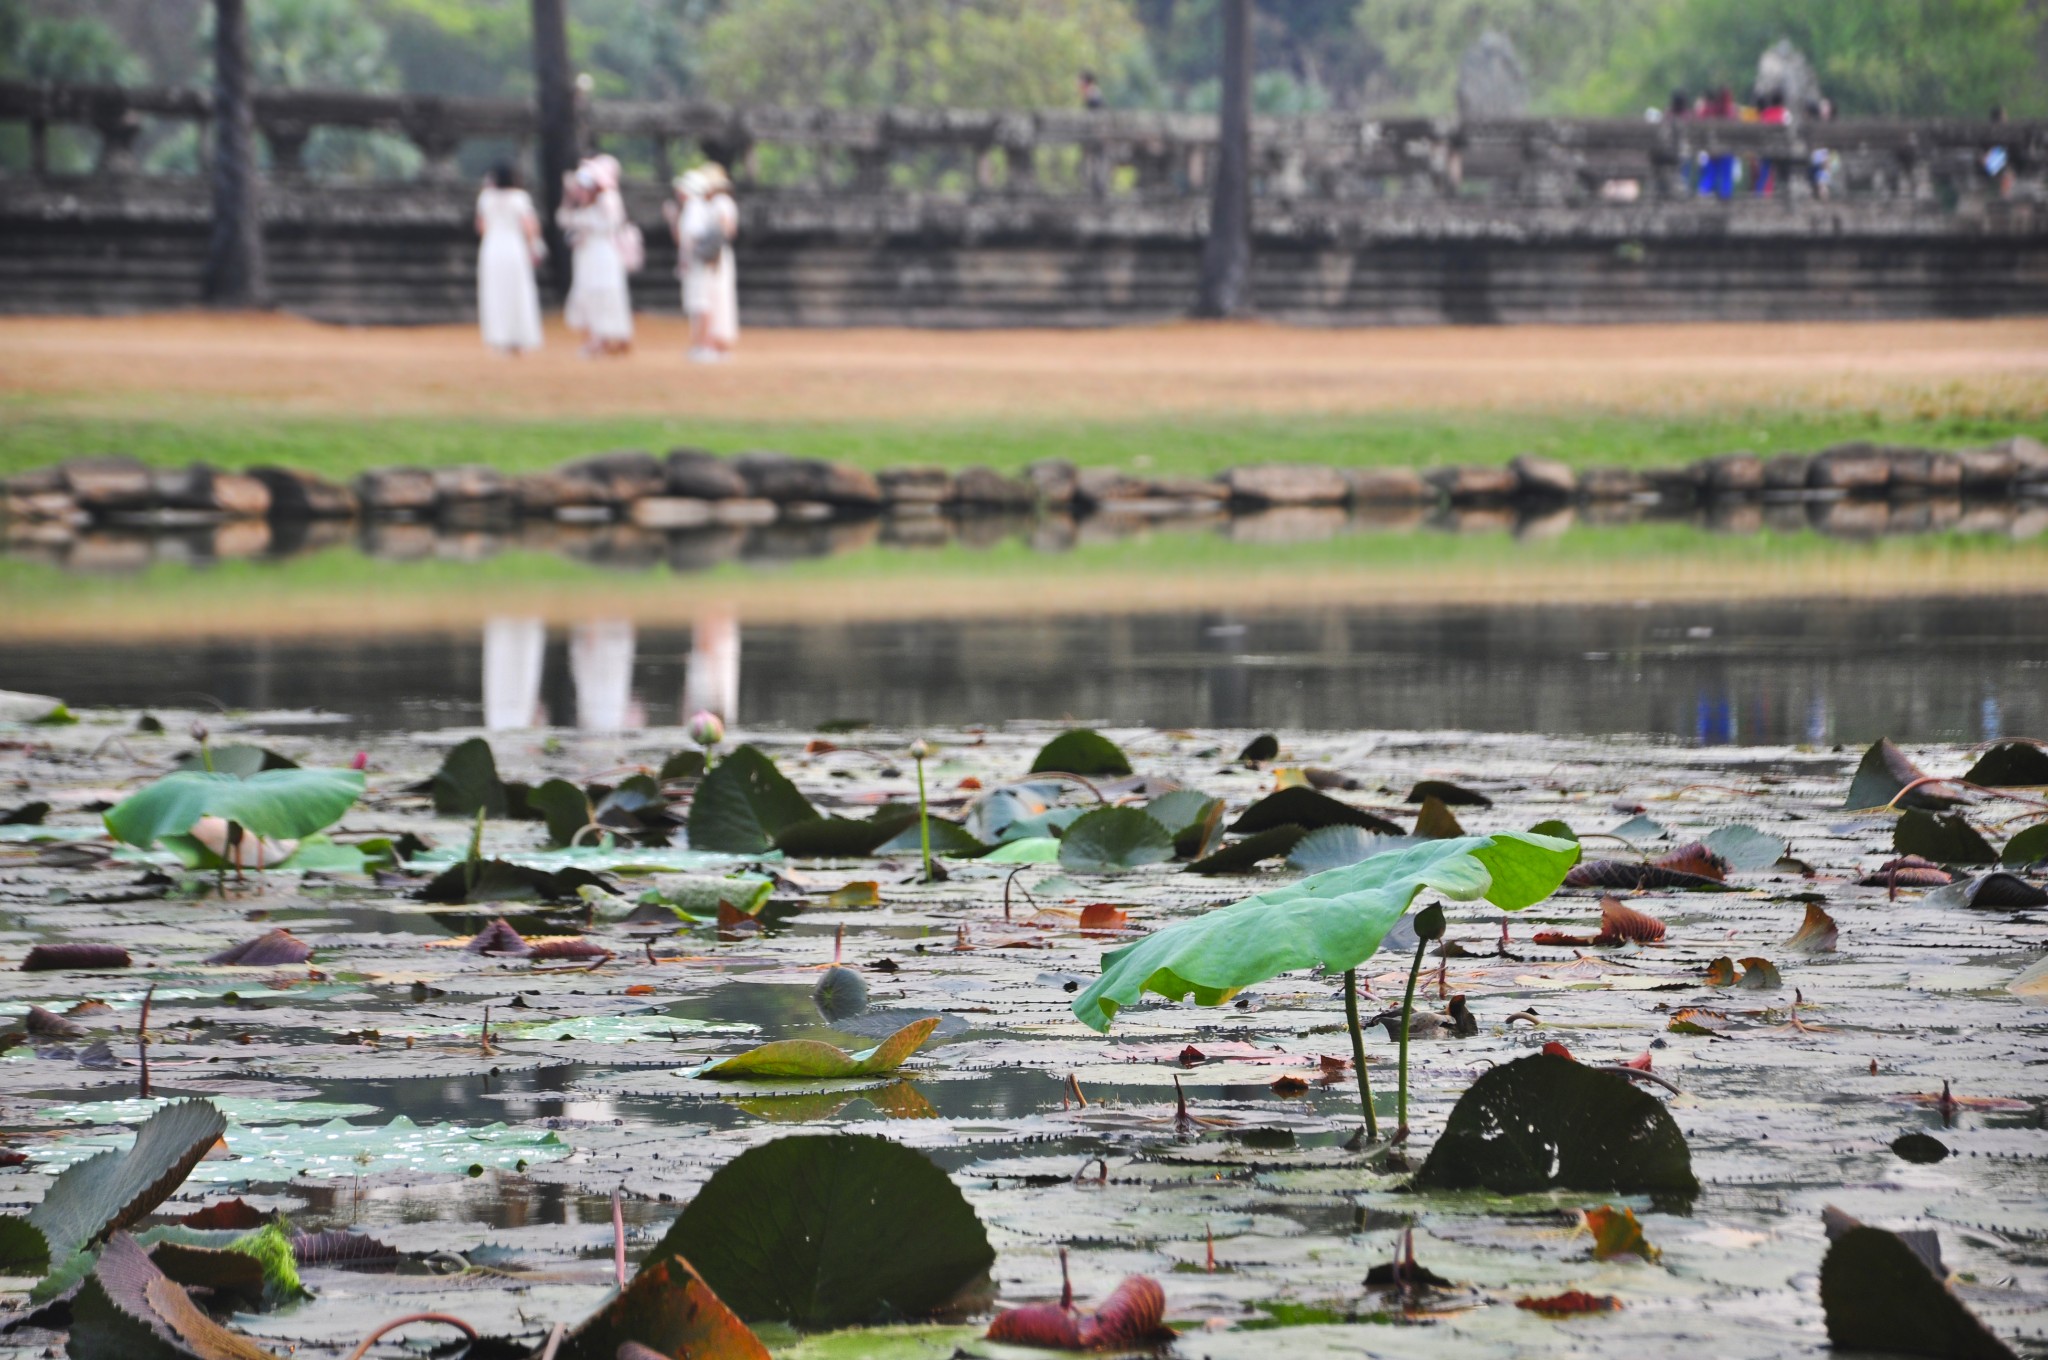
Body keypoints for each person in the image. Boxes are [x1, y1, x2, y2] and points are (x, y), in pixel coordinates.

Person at [559, 155, 634, 357]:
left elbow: (611, 224)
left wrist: (584, 223)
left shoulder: (608, 199)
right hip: (587, 255)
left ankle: (607, 339)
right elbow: (564, 220)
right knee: (586, 294)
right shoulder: (584, 203)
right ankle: (593, 339)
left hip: (604, 253)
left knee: (604, 294)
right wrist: (570, 197)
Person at [666, 165, 739, 362]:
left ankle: (707, 345)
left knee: (704, 302)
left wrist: (704, 255)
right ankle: (706, 343)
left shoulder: (699, 207)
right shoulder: (702, 206)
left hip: (704, 261)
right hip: (704, 260)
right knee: (704, 302)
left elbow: (700, 237)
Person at [473, 163, 543, 354]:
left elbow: (481, 227)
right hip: (514, 247)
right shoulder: (520, 198)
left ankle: (498, 337)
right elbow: (529, 226)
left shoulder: (486, 198)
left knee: (494, 292)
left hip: (492, 247)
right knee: (518, 291)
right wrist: (534, 247)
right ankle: (520, 338)